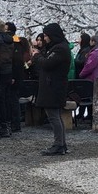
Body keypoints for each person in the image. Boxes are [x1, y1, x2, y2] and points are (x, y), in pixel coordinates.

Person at [33, 23, 72, 155]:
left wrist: (36, 55)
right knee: (55, 116)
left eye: (45, 36)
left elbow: (47, 63)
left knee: (53, 116)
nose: (44, 38)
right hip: (53, 85)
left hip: (53, 86)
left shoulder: (59, 49)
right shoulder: (58, 47)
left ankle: (58, 144)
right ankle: (61, 144)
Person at [0, 20, 15, 137]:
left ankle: (2, 125)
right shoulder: (10, 40)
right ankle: (8, 124)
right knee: (7, 98)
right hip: (8, 71)